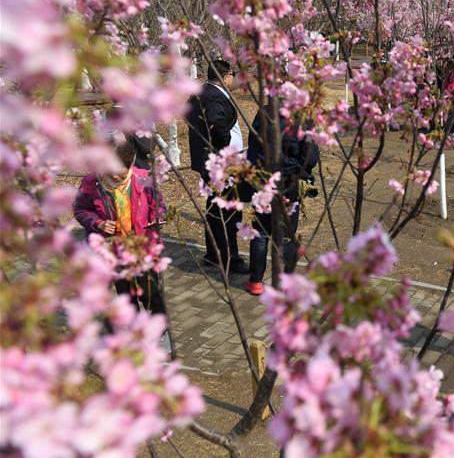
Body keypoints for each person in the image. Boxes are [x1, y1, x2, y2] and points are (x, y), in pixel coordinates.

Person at [73, 140, 172, 351]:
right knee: (125, 294)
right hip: (114, 250)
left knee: (150, 292)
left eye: (119, 172)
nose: (114, 177)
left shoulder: (143, 179)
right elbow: (81, 210)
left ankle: (159, 328)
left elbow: (159, 205)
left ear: (129, 166)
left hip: (142, 247)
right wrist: (98, 223)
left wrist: (157, 218)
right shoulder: (92, 183)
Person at [242, 109, 320, 295]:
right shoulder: (302, 116)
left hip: (263, 181)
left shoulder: (263, 113)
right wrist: (297, 170)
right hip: (290, 184)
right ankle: (286, 282)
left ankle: (256, 281)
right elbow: (311, 157)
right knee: (287, 234)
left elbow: (254, 150)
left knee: (260, 231)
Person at [186, 60, 248, 274]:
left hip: (209, 161)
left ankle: (214, 253)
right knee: (228, 211)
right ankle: (230, 258)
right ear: (226, 76)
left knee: (215, 208)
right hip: (222, 164)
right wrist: (225, 148)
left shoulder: (201, 92)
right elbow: (216, 122)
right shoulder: (214, 96)